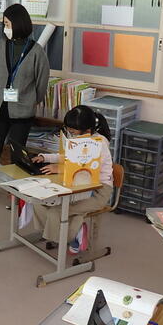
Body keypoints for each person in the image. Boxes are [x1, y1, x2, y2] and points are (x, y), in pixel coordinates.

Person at [0, 3, 50, 206]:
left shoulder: (37, 52)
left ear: (18, 24)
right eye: (4, 23)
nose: (4, 27)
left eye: (7, 24)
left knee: (17, 156)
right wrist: (1, 94)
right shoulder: (0, 45)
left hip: (22, 113)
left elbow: (41, 84)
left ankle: (16, 194)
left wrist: (29, 101)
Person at [31, 105, 114, 254]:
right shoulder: (80, 138)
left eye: (73, 131)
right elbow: (67, 157)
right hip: (78, 186)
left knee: (57, 211)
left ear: (87, 130)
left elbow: (88, 168)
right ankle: (59, 235)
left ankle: (73, 236)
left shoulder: (99, 143)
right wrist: (45, 157)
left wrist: (60, 169)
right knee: (39, 202)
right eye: (68, 130)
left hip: (98, 190)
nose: (70, 134)